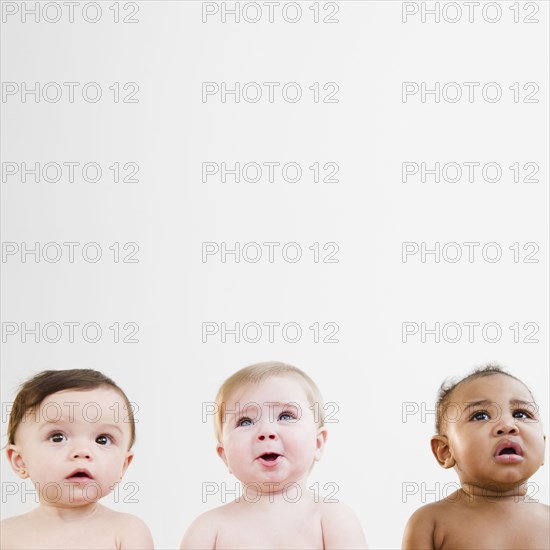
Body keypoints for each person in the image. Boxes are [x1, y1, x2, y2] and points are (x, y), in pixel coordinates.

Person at [181, 361, 367, 549]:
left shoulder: (333, 520)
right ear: (225, 456)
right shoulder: (208, 531)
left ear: (318, 444)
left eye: (286, 416)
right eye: (245, 421)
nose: (266, 431)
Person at [1, 369, 154, 549]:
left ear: (124, 465)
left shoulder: (127, 531)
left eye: (102, 440)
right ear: (20, 461)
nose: (82, 452)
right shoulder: (6, 535)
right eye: (57, 437)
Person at [402, 365, 549, 549]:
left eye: (520, 414)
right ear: (445, 451)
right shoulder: (431, 523)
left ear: (544, 446)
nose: (507, 425)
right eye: (480, 416)